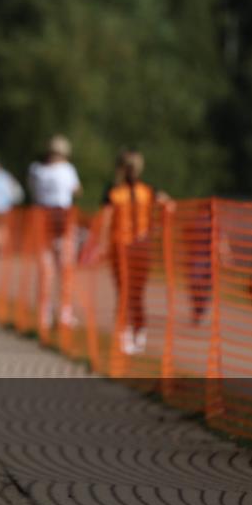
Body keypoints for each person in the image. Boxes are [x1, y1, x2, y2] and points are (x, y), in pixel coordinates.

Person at [98, 150, 169, 355]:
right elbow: (105, 218)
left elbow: (167, 205)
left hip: (140, 247)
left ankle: (139, 329)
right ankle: (124, 333)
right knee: (123, 291)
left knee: (136, 292)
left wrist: (158, 226)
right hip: (120, 247)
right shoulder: (113, 192)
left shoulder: (147, 191)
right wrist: (101, 243)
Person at [27, 135, 82, 331]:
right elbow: (77, 190)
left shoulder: (36, 170)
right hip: (62, 219)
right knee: (65, 270)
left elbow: (33, 191)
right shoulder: (67, 169)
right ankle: (64, 313)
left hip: (42, 219)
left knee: (46, 270)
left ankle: (44, 314)